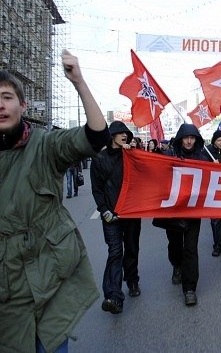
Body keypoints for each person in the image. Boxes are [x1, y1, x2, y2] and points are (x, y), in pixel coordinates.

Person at [0, 50, 110, 353]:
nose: (1, 105)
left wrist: (79, 83)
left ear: (22, 105)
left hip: (51, 282)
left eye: (7, 97)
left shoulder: (45, 145)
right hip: (6, 294)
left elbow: (96, 136)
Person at [91, 121, 142, 314]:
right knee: (115, 252)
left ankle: (133, 280)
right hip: (111, 215)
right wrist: (104, 210)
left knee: (131, 248)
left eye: (126, 134)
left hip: (131, 212)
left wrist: (134, 155)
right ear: (112, 135)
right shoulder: (99, 159)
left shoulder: (131, 156)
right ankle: (113, 296)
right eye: (120, 133)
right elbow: (97, 189)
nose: (124, 136)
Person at [163, 124, 204, 305]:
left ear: (196, 139)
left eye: (192, 137)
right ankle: (176, 265)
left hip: (194, 210)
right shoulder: (169, 156)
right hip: (173, 210)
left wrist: (218, 168)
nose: (189, 141)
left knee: (190, 248)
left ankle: (189, 288)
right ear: (180, 138)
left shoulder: (203, 158)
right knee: (175, 245)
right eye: (186, 137)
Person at [202, 129, 221, 257]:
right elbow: (202, 166)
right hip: (212, 190)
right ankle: (217, 245)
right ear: (214, 142)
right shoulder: (207, 152)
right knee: (215, 219)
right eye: (219, 140)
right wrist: (211, 165)